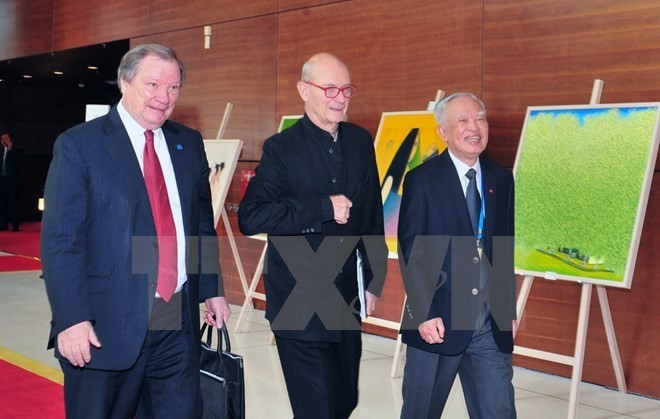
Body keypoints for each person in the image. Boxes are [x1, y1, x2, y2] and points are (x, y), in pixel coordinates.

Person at [41, 43, 231, 419]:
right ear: (125, 83)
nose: (164, 97)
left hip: (173, 315)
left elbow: (198, 225)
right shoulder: (80, 145)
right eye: (153, 84)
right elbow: (62, 240)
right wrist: (71, 318)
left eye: (174, 87)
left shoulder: (187, 144)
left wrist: (211, 289)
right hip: (103, 323)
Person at [238, 52, 388, 419]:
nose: (340, 98)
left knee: (343, 402)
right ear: (304, 91)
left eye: (347, 89)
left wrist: (373, 278)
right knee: (316, 409)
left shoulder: (359, 141)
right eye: (330, 89)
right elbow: (252, 216)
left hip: (345, 300)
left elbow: (371, 215)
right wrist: (321, 208)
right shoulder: (281, 148)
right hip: (298, 301)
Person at [398, 93, 517, 419]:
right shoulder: (422, 180)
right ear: (443, 132)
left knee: (500, 410)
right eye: (462, 121)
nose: (474, 127)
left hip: (488, 323)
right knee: (421, 412)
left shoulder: (501, 179)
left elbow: (503, 246)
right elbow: (411, 249)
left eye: (479, 118)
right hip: (437, 321)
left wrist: (508, 310)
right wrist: (424, 311)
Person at [0, 130, 23, 231]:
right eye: (2, 139)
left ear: (11, 140)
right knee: (2, 203)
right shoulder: (1, 151)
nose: (3, 141)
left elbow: (19, 161)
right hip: (2, 181)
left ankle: (15, 226)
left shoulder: (17, 149)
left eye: (6, 139)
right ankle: (3, 225)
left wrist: (10, 150)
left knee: (14, 204)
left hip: (13, 182)